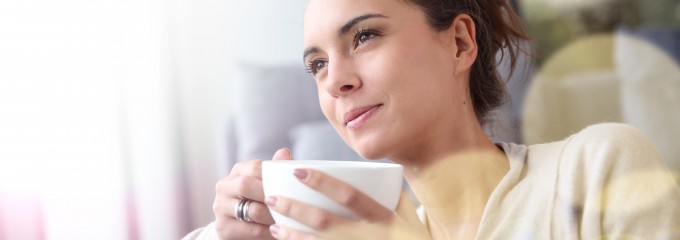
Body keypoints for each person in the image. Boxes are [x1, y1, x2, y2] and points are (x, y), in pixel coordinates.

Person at [184, 0, 680, 239]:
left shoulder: (597, 166)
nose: (334, 81)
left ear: (460, 42)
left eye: (364, 37)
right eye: (317, 65)